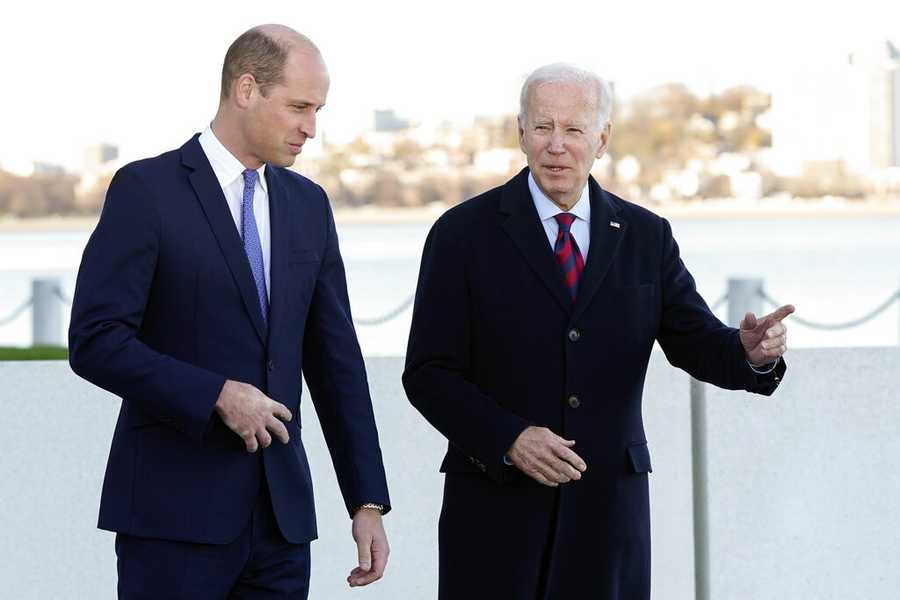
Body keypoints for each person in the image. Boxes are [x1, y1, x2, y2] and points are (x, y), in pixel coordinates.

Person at [402, 63, 793, 600]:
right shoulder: (461, 235)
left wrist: (748, 353)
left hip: (608, 517)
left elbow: (695, 341)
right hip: (495, 514)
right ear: (521, 132)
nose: (556, 145)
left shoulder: (646, 236)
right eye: (542, 127)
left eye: (574, 129)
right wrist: (509, 438)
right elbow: (428, 373)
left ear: (602, 138)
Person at [68, 24, 390, 599]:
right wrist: (215, 393)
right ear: (246, 89)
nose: (311, 129)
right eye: (298, 107)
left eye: (317, 110)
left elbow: (336, 361)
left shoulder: (308, 205)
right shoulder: (147, 189)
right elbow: (96, 339)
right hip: (171, 521)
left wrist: (366, 500)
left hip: (282, 527)